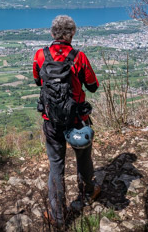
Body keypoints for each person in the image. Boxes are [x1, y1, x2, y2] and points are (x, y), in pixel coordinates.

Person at [33, 15, 100, 226]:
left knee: (56, 165)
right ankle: (88, 192)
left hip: (51, 120)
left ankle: (58, 215)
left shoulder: (40, 55)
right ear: (72, 34)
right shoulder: (78, 57)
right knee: (83, 158)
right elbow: (93, 85)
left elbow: (38, 81)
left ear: (52, 34)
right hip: (77, 119)